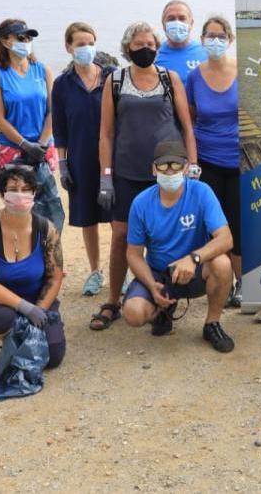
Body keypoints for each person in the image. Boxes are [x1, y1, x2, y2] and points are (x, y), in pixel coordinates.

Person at [90, 22, 198, 331]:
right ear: (127, 49)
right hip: (127, 172)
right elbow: (106, 134)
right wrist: (106, 177)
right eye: (137, 46)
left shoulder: (169, 78)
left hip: (169, 170)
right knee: (122, 237)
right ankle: (112, 300)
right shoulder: (116, 80)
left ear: (157, 46)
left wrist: (193, 166)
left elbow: (187, 127)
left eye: (150, 44)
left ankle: (166, 298)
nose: (144, 50)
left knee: (169, 235)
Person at [120, 141, 235, 352]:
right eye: (163, 166)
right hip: (159, 273)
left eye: (176, 165)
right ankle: (161, 310)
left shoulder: (202, 192)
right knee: (133, 314)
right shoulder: (141, 203)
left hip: (196, 271)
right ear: (154, 169)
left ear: (185, 167)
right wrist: (151, 285)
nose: (170, 171)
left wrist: (193, 258)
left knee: (222, 264)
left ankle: (212, 323)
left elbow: (226, 238)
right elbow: (134, 254)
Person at [0, 164, 66, 369]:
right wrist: (24, 308)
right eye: (12, 190)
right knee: (3, 318)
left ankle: (23, 340)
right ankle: (9, 339)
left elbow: (54, 277)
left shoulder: (46, 229)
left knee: (54, 354)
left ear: (34, 193)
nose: (19, 195)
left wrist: (39, 310)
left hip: (36, 296)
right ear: (2, 194)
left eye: (25, 190)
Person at [184, 15, 242, 307]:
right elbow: (191, 121)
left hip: (241, 162)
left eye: (221, 36)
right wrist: (192, 162)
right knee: (213, 226)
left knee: (239, 223)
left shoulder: (243, 70)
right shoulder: (194, 77)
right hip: (207, 162)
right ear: (202, 39)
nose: (215, 41)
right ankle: (222, 282)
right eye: (210, 35)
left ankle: (242, 282)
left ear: (230, 40)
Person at [52, 22, 113, 297]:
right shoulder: (62, 85)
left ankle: (121, 272)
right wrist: (63, 164)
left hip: (112, 158)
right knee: (88, 218)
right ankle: (95, 271)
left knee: (118, 218)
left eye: (90, 42)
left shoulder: (112, 77)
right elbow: (59, 129)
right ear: (68, 47)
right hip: (79, 159)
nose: (86, 48)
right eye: (80, 44)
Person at [0, 18, 65, 233]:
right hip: (12, 150)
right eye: (21, 37)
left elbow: (52, 110)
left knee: (51, 209)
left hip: (42, 149)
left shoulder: (42, 70)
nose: (26, 41)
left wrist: (39, 144)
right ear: (5, 41)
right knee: (19, 208)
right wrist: (24, 144)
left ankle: (50, 259)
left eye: (29, 37)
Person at [154, 0, 207, 78]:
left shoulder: (205, 53)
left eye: (182, 18)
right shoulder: (155, 56)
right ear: (163, 23)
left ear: (191, 23)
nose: (177, 22)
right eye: (171, 19)